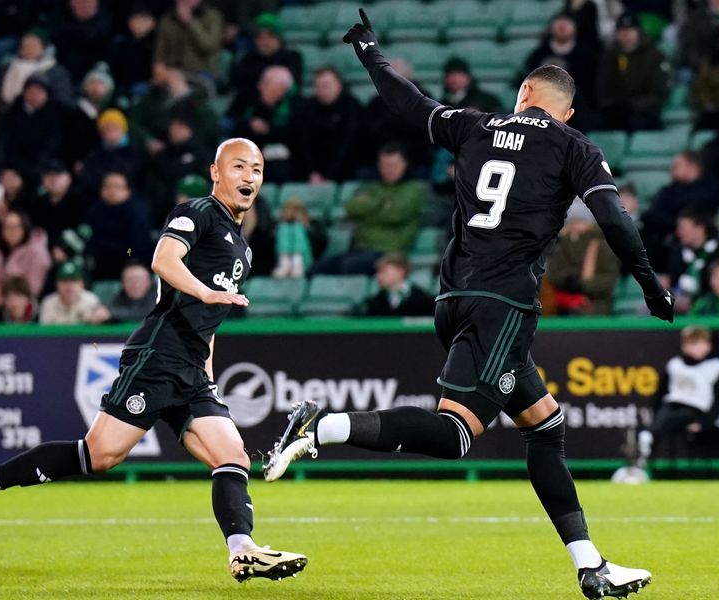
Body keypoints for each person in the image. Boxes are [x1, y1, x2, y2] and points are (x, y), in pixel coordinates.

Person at [263, 10, 674, 599]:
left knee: (546, 426)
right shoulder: (573, 145)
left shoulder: (477, 125)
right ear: (565, 110)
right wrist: (649, 283)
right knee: (457, 434)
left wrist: (370, 53)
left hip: (453, 297)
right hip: (501, 306)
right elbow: (612, 216)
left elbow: (410, 104)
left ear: (523, 93)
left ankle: (591, 565)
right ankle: (322, 424)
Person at [0, 138, 308, 583]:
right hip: (159, 353)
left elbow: (210, 321)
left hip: (192, 367)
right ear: (216, 172)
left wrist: (208, 375)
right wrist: (205, 291)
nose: (249, 176)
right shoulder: (197, 212)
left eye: (256, 168)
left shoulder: (242, 248)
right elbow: (162, 259)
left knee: (232, 456)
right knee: (99, 455)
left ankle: (243, 550)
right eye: (238, 166)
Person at [313, 143, 424, 275]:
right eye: (384, 165)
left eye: (393, 165)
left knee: (348, 266)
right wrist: (382, 204)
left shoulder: (413, 190)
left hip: (388, 253)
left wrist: (368, 207)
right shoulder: (373, 188)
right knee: (317, 267)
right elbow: (351, 208)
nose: (388, 170)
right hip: (359, 250)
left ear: (405, 164)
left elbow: (395, 215)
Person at [637, 326, 719, 465]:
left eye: (701, 343)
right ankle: (644, 453)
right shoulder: (675, 364)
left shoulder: (717, 366)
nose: (697, 348)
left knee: (682, 415)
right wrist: (653, 411)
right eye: (692, 344)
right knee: (665, 414)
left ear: (709, 345)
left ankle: (650, 434)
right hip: (673, 403)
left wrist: (704, 423)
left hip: (696, 409)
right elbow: (660, 392)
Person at [545, 199, 620, 315]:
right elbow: (553, 274)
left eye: (580, 222)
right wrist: (570, 281)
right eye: (572, 223)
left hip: (596, 300)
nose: (576, 227)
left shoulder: (602, 245)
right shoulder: (561, 246)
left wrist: (586, 284)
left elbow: (608, 280)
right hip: (564, 298)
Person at [596, 12, 668, 132]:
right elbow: (602, 88)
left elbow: (658, 92)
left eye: (630, 30)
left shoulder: (654, 56)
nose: (626, 35)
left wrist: (634, 105)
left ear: (638, 31)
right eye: (622, 31)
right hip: (616, 113)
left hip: (644, 112)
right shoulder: (609, 57)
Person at [0, 209, 52, 312]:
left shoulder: (37, 253)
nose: (11, 231)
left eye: (16, 227)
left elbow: (33, 287)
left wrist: (8, 301)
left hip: (22, 308)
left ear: (25, 228)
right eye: (7, 227)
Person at [84, 171, 153, 281]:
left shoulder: (137, 211)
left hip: (129, 259)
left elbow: (136, 245)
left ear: (127, 190)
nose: (112, 191)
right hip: (101, 262)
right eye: (108, 186)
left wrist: (127, 256)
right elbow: (90, 237)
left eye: (117, 187)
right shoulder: (94, 211)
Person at [663, 211, 719, 314]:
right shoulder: (677, 251)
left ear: (700, 228)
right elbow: (669, 281)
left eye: (683, 228)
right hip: (682, 301)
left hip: (712, 299)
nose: (678, 232)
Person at [361, 253, 435, 317]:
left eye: (383, 272)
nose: (378, 277)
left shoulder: (424, 301)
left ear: (400, 271)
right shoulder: (374, 303)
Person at [37, 260, 105, 325]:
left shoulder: (91, 301)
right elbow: (44, 334)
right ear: (57, 284)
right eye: (64, 281)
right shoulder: (48, 303)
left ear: (81, 284)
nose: (69, 285)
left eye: (73, 280)